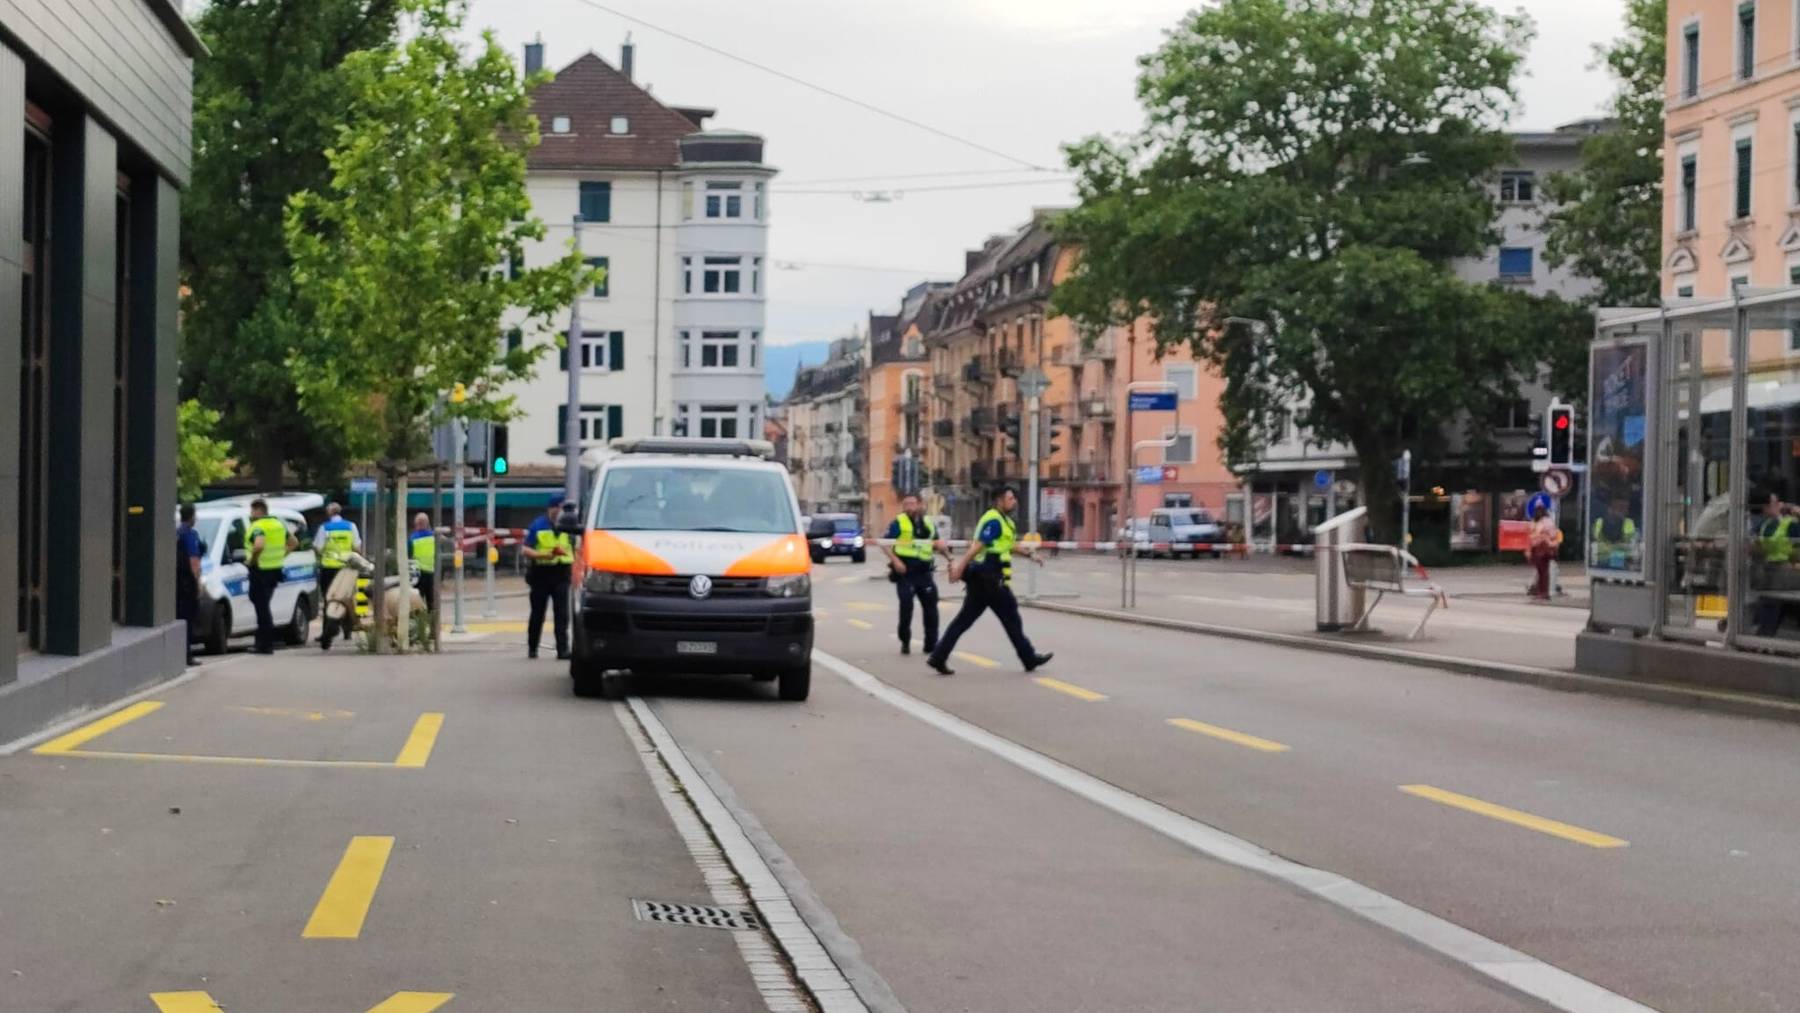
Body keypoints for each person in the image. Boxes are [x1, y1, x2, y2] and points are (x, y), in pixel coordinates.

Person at [926, 486, 1053, 676]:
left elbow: (1008, 545)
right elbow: (977, 546)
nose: (1014, 501)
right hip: (988, 577)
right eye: (1010, 498)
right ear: (999, 501)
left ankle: (938, 657)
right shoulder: (993, 520)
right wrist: (960, 568)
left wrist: (1031, 555)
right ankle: (1029, 658)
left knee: (965, 621)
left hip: (987, 578)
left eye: (1014, 498)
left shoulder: (1005, 521)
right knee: (1011, 618)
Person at [879, 494, 947, 655]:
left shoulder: (929, 523)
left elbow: (936, 543)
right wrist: (896, 561)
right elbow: (885, 543)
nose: (909, 507)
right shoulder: (899, 522)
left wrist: (950, 558)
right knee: (906, 607)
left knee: (931, 609)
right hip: (906, 572)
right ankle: (905, 640)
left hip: (924, 573)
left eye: (912, 504)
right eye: (906, 504)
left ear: (919, 504)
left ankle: (931, 644)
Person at [523, 495, 575, 659]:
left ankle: (562, 649)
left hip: (562, 574)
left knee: (562, 614)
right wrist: (544, 555)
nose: (559, 511)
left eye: (562, 508)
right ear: (550, 508)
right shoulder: (538, 525)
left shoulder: (569, 526)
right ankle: (532, 647)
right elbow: (525, 549)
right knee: (538, 613)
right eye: (556, 507)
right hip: (541, 574)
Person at [246, 498, 296, 655]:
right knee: (264, 606)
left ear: (258, 510)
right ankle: (263, 642)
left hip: (259, 570)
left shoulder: (258, 526)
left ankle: (265, 645)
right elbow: (294, 542)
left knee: (262, 609)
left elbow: (259, 544)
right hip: (275, 571)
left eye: (252, 510)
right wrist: (282, 555)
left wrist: (252, 561)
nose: (251, 514)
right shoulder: (278, 524)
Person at [1752, 488, 1800, 637]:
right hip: (1775, 571)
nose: (1779, 504)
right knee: (1772, 603)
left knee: (1773, 603)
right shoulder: (1766, 525)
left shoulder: (1786, 524)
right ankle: (1764, 633)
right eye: (1775, 502)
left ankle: (1764, 633)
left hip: (1782, 570)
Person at [314, 502, 360, 622]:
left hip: (329, 568)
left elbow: (318, 548)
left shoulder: (324, 527)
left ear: (329, 513)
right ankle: (348, 628)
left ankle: (327, 630)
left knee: (328, 598)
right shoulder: (351, 526)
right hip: (346, 568)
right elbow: (357, 548)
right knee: (346, 596)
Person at [175, 504, 202, 665]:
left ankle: (180, 653)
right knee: (188, 619)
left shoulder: (177, 533)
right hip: (187, 583)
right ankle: (187, 655)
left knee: (179, 616)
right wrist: (198, 583)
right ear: (191, 516)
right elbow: (194, 560)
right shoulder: (190, 535)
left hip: (177, 582)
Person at [1591, 496, 1638, 571]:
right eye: (1620, 508)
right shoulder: (1600, 522)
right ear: (1610, 509)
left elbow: (1628, 539)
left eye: (1625, 508)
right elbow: (1597, 536)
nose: (1624, 511)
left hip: (1620, 559)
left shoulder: (1628, 523)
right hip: (1601, 560)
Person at [1526, 501, 1560, 601]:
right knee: (1540, 571)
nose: (1538, 512)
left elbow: (1553, 535)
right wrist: (1528, 549)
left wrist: (1544, 537)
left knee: (1543, 571)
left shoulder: (1547, 521)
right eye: (1537, 510)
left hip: (1544, 548)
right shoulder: (1534, 521)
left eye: (1540, 510)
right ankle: (1540, 591)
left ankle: (1544, 592)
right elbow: (1530, 535)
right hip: (1536, 548)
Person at [409, 512, 438, 611]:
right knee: (431, 600)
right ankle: (432, 621)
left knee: (417, 600)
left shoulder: (413, 538)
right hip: (431, 572)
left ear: (417, 524)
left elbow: (408, 554)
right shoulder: (434, 537)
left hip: (417, 573)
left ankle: (420, 621)